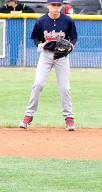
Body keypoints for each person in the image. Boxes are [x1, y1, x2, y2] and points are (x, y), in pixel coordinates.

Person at [19, 0, 77, 131]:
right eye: (53, 5)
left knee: (65, 88)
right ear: (48, 6)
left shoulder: (68, 20)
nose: (56, 8)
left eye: (58, 5)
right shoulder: (41, 21)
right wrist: (38, 44)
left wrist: (71, 46)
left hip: (62, 57)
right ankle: (28, 116)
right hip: (46, 55)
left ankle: (69, 118)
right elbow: (35, 37)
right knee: (38, 84)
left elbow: (73, 38)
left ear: (61, 6)